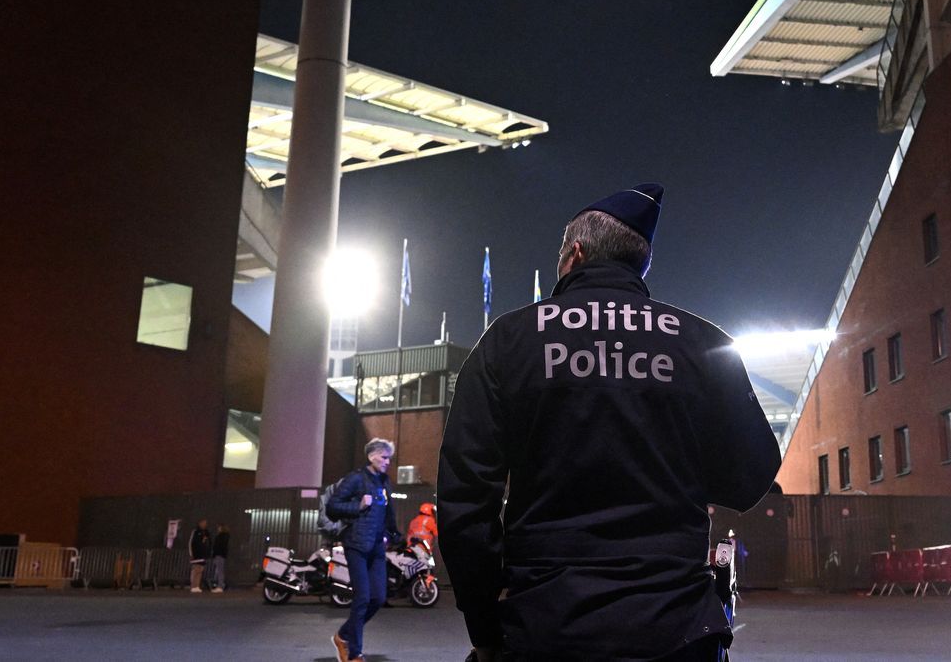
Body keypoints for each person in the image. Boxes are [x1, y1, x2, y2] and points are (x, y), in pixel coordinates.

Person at [438, 183, 781, 661]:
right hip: (676, 625)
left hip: (544, 623)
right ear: (639, 263)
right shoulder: (703, 343)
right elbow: (751, 477)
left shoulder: (509, 341)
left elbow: (466, 500)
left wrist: (484, 625)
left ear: (575, 254)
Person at [326, 438, 400, 662]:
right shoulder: (356, 478)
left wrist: (395, 534)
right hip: (356, 544)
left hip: (377, 546)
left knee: (378, 597)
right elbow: (332, 506)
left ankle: (342, 635)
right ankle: (354, 652)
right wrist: (358, 505)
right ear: (371, 456)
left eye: (389, 458)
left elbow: (388, 514)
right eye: (384, 457)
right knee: (363, 598)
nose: (388, 462)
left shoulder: (384, 481)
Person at [187, 519, 212, 593]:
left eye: (205, 523)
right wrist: (191, 554)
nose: (205, 524)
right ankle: (193, 585)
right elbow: (191, 543)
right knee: (196, 570)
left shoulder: (206, 532)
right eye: (203, 523)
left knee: (200, 570)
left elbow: (208, 542)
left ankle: (197, 585)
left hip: (203, 554)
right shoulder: (196, 532)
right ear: (199, 523)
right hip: (196, 554)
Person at [209, 523, 230, 592]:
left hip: (219, 555)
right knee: (218, 570)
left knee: (219, 570)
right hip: (221, 555)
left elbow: (217, 546)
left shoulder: (220, 536)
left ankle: (220, 585)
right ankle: (219, 584)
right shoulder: (225, 536)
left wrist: (214, 553)